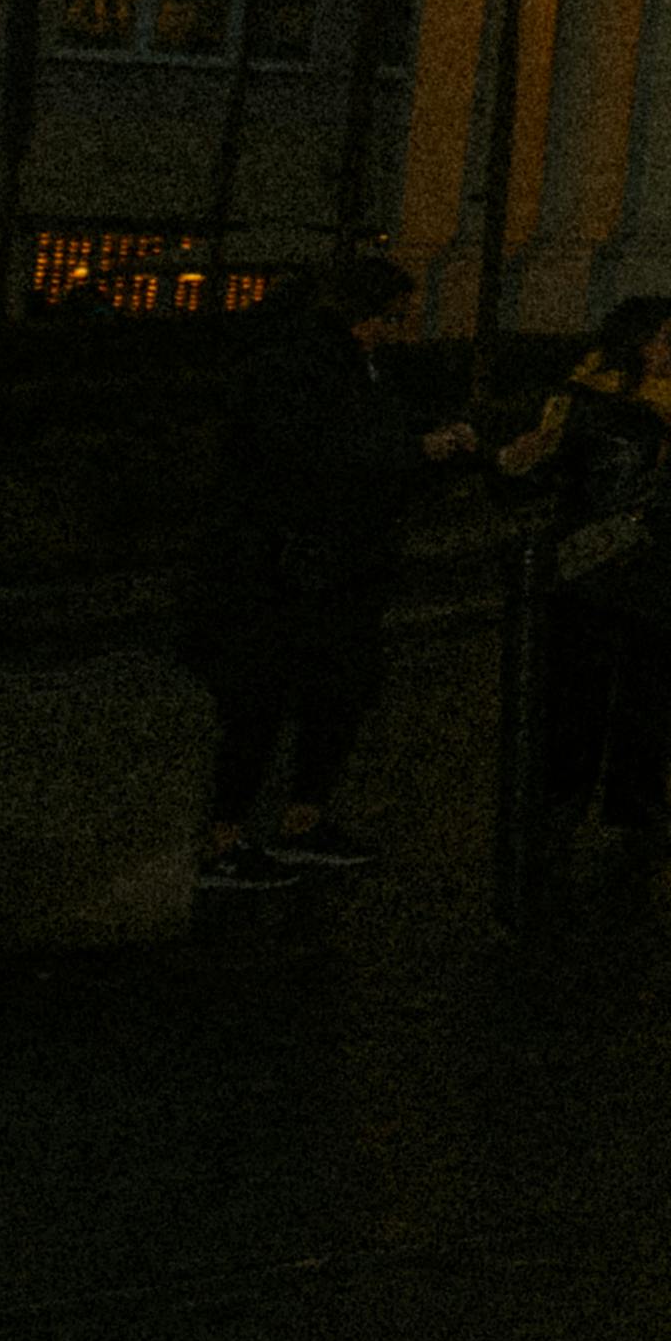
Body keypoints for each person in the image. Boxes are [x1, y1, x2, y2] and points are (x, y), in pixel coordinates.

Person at [182, 260, 476, 891]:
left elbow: (374, 435)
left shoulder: (364, 366)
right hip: (286, 560)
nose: (400, 330)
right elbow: (306, 454)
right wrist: (414, 450)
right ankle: (222, 839)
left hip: (347, 556)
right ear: (358, 315)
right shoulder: (295, 367)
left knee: (338, 692)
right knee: (261, 698)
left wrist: (435, 444)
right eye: (393, 316)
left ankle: (300, 822)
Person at [497, 294, 671, 866]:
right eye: (657, 338)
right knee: (577, 700)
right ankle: (559, 807)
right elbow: (531, 477)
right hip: (595, 575)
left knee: (650, 704)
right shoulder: (584, 401)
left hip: (666, 574)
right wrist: (515, 463)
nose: (670, 350)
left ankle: (637, 809)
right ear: (628, 341)